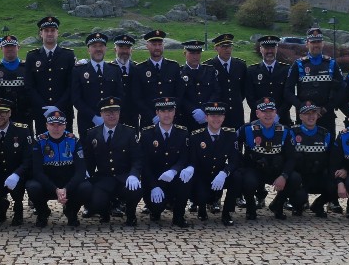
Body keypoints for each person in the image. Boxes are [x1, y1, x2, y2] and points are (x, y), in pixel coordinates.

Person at [83, 97, 144, 226]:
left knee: (135, 190)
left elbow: (137, 159)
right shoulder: (92, 133)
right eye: (107, 112)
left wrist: (134, 174)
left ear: (119, 113)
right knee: (96, 202)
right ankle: (104, 213)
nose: (112, 115)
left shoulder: (129, 132)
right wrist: (86, 173)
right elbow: (89, 159)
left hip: (124, 178)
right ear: (101, 114)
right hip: (103, 178)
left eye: (115, 112)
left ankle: (131, 214)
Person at [25, 108, 91, 227]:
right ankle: (42, 212)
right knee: (32, 187)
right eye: (52, 125)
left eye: (60, 125)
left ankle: (71, 211)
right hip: (47, 181)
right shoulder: (39, 141)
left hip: (68, 181)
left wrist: (66, 188)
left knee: (86, 187)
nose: (56, 128)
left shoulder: (74, 141)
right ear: (47, 125)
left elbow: (81, 171)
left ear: (65, 125)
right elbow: (37, 172)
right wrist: (55, 189)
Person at [235, 97, 297, 219]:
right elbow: (234, 149)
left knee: (295, 178)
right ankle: (251, 207)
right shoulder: (246, 129)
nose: (268, 115)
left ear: (275, 113)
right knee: (247, 181)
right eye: (264, 112)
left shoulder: (285, 131)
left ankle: (278, 205)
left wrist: (284, 176)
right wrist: (241, 166)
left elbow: (291, 158)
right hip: (255, 169)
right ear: (257, 113)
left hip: (276, 170)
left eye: (271, 111)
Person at [137, 96, 192, 227]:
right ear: (157, 113)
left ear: (174, 112)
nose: (167, 115)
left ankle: (178, 216)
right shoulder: (147, 134)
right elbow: (144, 163)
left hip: (174, 179)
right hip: (155, 181)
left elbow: (184, 157)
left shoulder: (182, 132)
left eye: (170, 111)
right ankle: (155, 210)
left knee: (186, 179)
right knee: (156, 208)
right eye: (163, 111)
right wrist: (153, 185)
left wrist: (174, 170)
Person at [187, 101, 240, 225]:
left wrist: (224, 172)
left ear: (224, 117)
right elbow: (193, 160)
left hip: (220, 174)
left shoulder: (230, 135)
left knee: (237, 177)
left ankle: (227, 213)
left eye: (219, 116)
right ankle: (201, 208)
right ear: (206, 117)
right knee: (201, 196)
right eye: (212, 116)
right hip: (203, 176)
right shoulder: (196, 136)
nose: (216, 119)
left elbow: (234, 160)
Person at [285, 27, 345, 134]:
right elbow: (288, 90)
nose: (316, 45)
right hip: (304, 116)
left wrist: (326, 108)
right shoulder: (299, 64)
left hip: (326, 115)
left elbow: (342, 90)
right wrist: (301, 107)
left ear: (323, 43)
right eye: (313, 42)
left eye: (318, 42)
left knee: (328, 144)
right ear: (307, 44)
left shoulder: (331, 64)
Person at [26, 15, 76, 134]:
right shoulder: (32, 56)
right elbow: (30, 86)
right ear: (41, 34)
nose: (49, 33)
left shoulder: (68, 55)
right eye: (46, 30)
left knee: (65, 144)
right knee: (42, 143)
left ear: (57, 33)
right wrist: (44, 107)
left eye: (53, 30)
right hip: (42, 113)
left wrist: (57, 107)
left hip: (63, 111)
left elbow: (71, 85)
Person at [288, 102, 335, 218]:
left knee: (336, 184)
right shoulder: (292, 132)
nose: (311, 116)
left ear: (318, 115)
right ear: (300, 116)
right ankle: (297, 206)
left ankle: (318, 204)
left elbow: (332, 158)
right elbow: (288, 158)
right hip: (300, 177)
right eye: (307, 114)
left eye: (313, 113)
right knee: (298, 195)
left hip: (318, 175)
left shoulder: (325, 134)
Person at [72, 32, 124, 134]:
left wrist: (110, 115)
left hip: (111, 122)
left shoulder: (114, 69)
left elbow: (120, 95)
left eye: (101, 46)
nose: (98, 49)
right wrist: (93, 117)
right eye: (94, 46)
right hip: (87, 122)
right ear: (88, 50)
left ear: (105, 49)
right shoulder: (79, 70)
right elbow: (76, 98)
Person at [130, 30, 184, 129]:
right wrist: (152, 115)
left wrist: (169, 114)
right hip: (149, 121)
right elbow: (137, 98)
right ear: (147, 46)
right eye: (154, 44)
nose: (157, 48)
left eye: (160, 44)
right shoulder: (139, 69)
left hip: (172, 120)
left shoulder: (173, 67)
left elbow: (179, 94)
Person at [246, 35, 292, 125]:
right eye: (266, 48)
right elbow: (250, 97)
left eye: (272, 48)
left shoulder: (286, 70)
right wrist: (262, 115)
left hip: (281, 119)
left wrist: (278, 115)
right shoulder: (252, 71)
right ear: (261, 49)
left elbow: (289, 96)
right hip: (258, 120)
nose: (270, 51)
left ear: (276, 49)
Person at [206, 33, 248, 129]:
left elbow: (244, 89)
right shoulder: (209, 66)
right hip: (217, 114)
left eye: (229, 46)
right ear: (216, 48)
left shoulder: (240, 65)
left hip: (236, 112)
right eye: (223, 47)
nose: (227, 49)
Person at [0, 35, 33, 127]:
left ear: (18, 47)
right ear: (1, 48)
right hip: (2, 116)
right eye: (6, 47)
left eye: (12, 46)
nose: (10, 49)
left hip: (24, 115)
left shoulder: (26, 68)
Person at [178, 39, 220, 132]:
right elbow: (179, 96)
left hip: (207, 118)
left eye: (198, 53)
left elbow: (216, 92)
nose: (195, 56)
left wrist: (205, 109)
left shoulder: (209, 71)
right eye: (192, 53)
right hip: (186, 119)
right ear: (185, 53)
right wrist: (192, 110)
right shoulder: (179, 73)